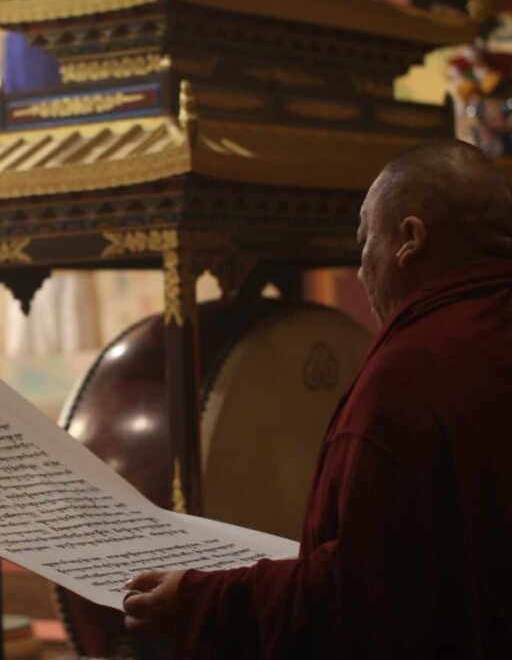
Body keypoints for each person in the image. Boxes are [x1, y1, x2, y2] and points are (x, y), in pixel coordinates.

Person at [123, 139, 512, 658]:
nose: (361, 271)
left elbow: (356, 601)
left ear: (410, 240)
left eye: (365, 241)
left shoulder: (409, 373)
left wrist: (198, 600)